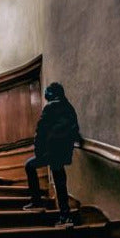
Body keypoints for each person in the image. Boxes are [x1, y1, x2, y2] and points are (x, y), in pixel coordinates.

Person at [24, 82, 81, 226]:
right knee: (60, 182)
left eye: (47, 92)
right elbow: (75, 129)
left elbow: (41, 131)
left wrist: (39, 152)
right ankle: (65, 215)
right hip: (62, 153)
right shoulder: (69, 107)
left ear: (52, 93)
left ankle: (36, 201)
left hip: (51, 151)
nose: (45, 94)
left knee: (29, 166)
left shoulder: (50, 107)